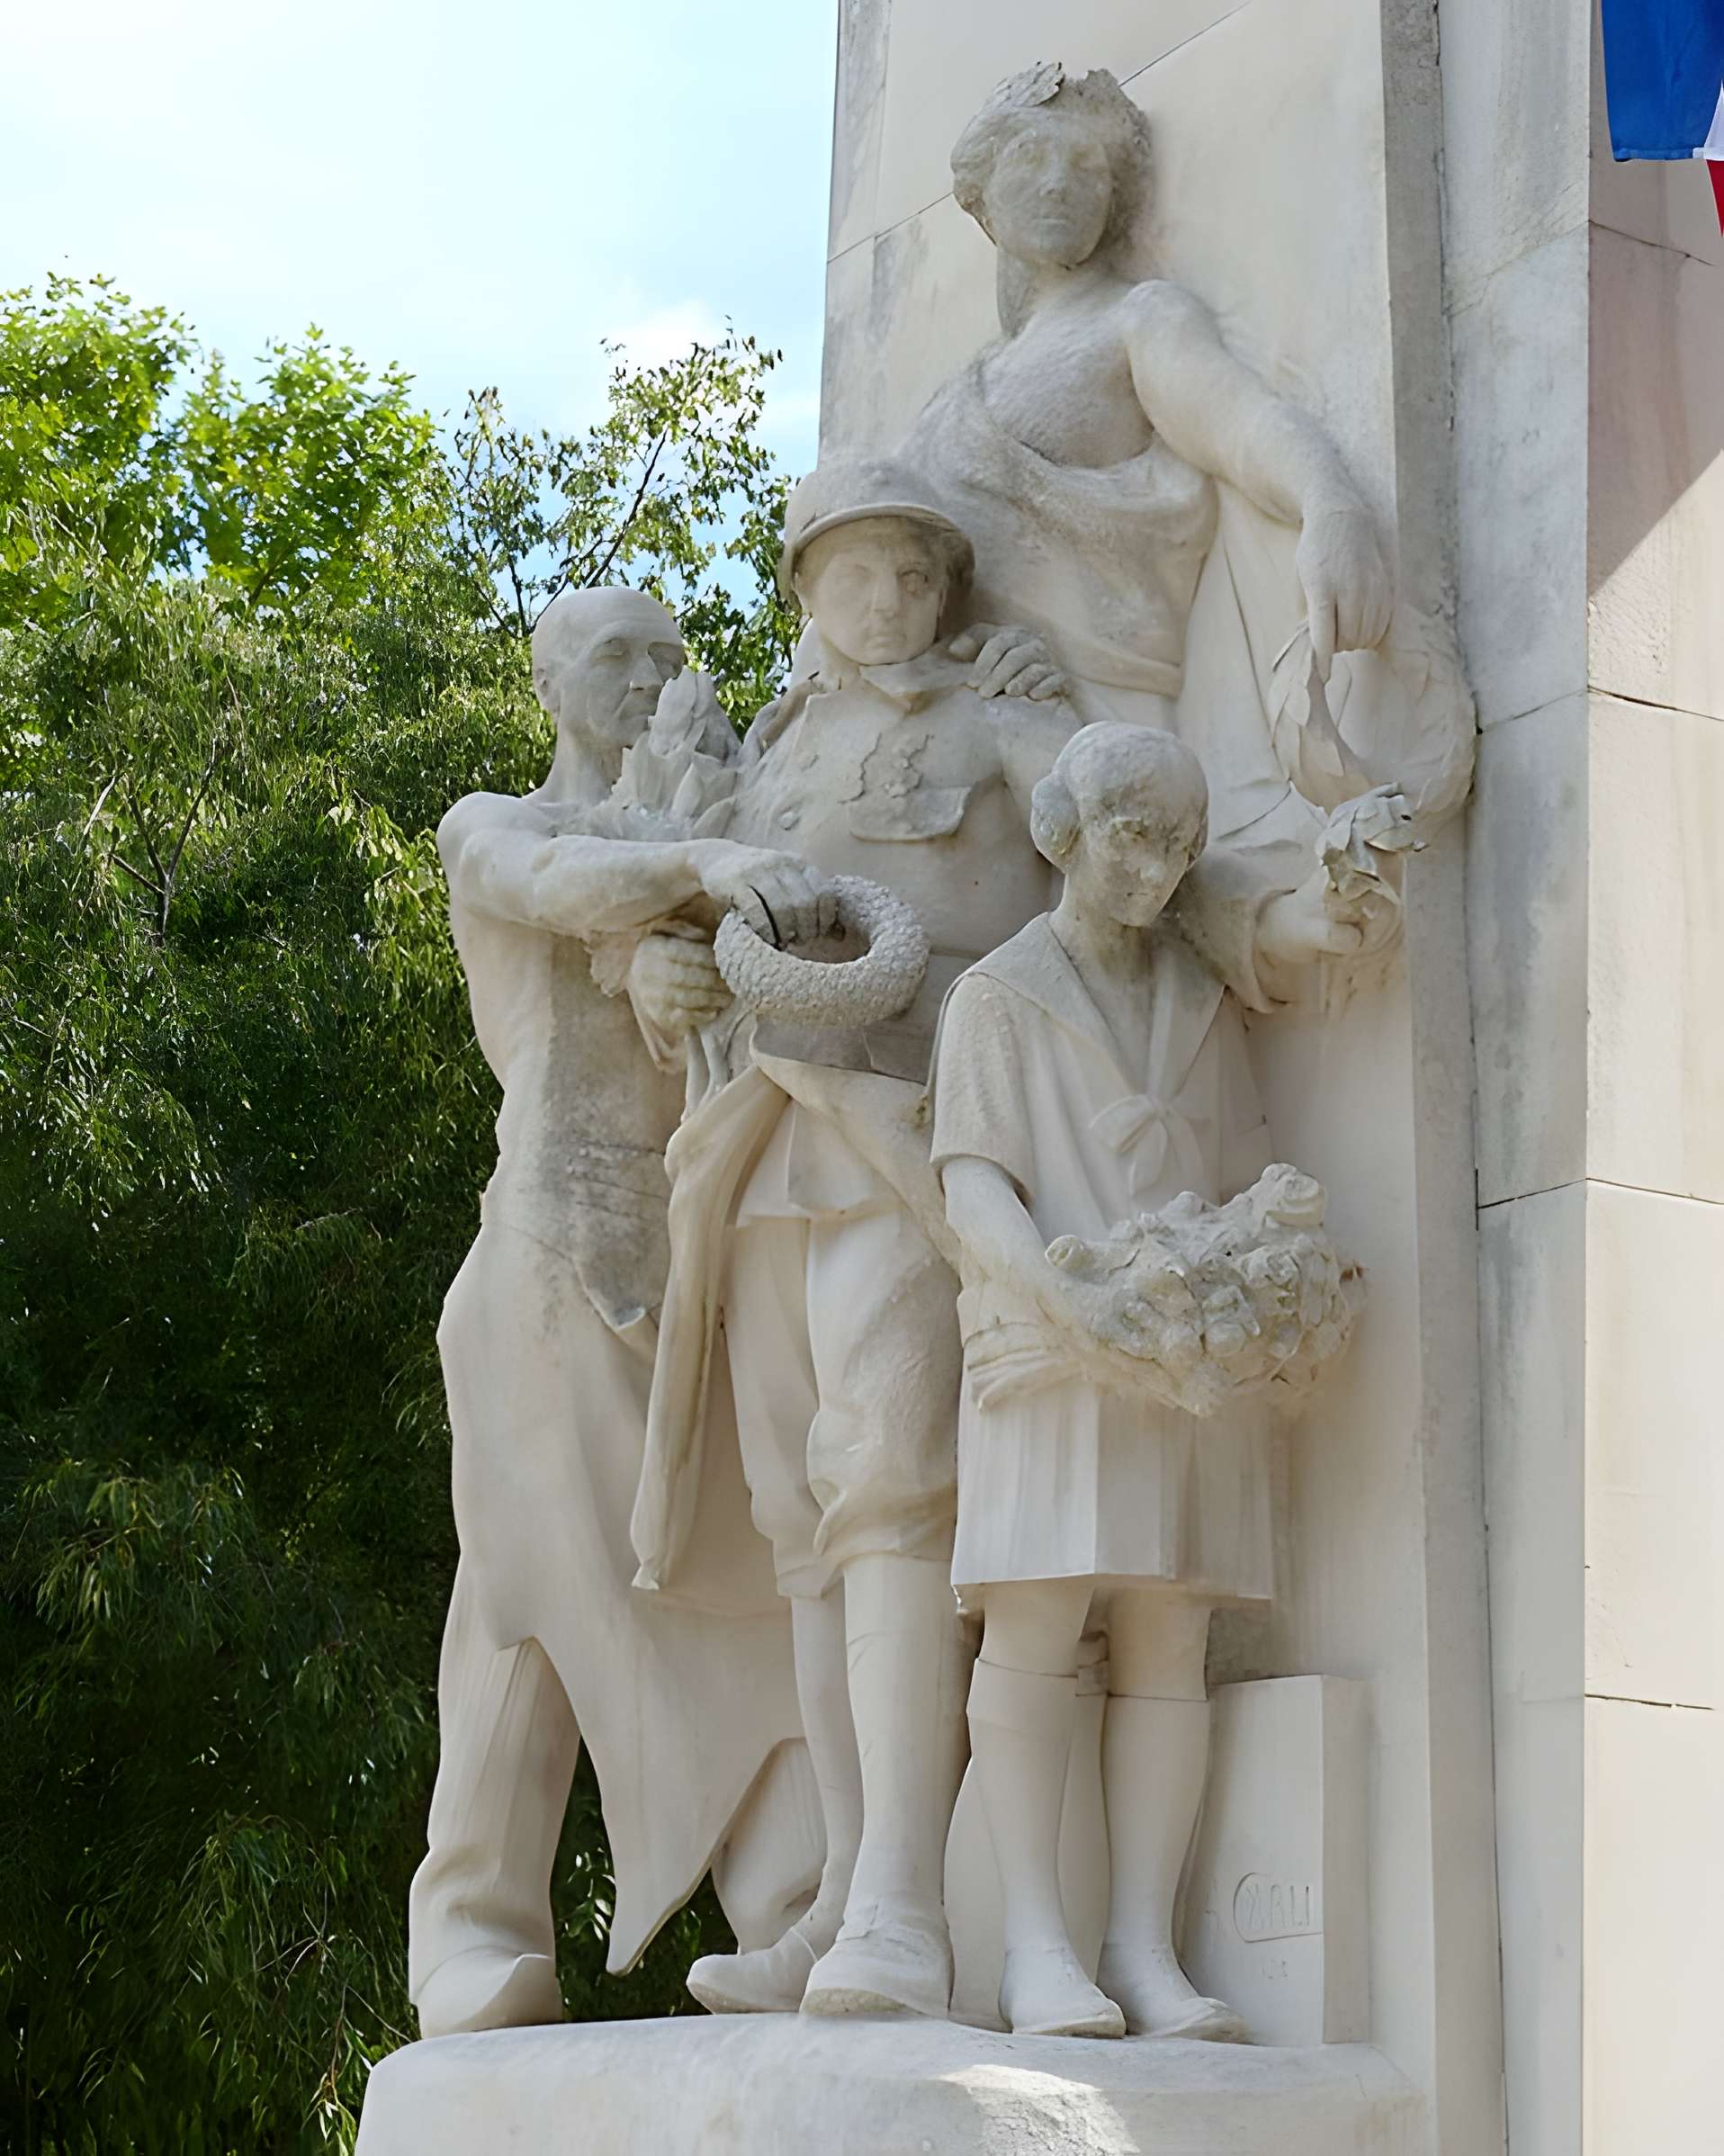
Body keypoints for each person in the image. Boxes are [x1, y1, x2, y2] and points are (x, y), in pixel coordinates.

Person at [409, 584, 832, 2039]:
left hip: (703, 1262)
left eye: (666, 651)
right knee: (555, 1578)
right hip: (545, 1258)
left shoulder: (725, 808)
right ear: (547, 677)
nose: (650, 675)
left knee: (661, 1572)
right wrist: (712, 866)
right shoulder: (495, 825)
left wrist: (700, 969)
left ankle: (768, 1886)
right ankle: (491, 1921)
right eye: (613, 654)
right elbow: (566, 888)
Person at [930, 723, 1271, 2041]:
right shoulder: (999, 995)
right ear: (1070, 830)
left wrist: (1256, 1281)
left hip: (1183, 1363)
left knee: (1169, 1638)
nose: (1157, 871)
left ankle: (1143, 1950)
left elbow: (1245, 1168)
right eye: (1136, 837)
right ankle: (1033, 1948)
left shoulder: (1202, 999)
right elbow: (972, 1178)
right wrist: (1061, 1296)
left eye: (1180, 847)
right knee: (1032, 1623)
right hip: (1046, 1346)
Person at [905, 60, 1400, 910]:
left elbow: (1241, 424)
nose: (1062, 183)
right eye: (1031, 158)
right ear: (979, 194)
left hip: (1098, 720)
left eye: (1090, 168)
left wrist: (1331, 501)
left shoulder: (1138, 318)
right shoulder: (951, 398)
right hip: (959, 736)